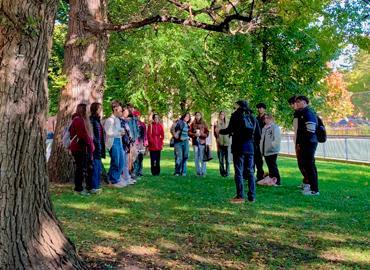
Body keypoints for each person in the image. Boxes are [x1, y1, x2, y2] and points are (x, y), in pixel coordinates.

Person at [220, 100, 261, 203]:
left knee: (238, 171)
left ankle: (240, 196)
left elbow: (229, 130)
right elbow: (258, 135)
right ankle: (252, 196)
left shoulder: (236, 115)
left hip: (238, 147)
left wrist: (219, 131)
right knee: (251, 171)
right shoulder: (252, 117)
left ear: (238, 106)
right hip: (250, 147)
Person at [295, 96, 320, 195]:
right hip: (306, 143)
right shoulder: (302, 113)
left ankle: (314, 190)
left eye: (299, 101)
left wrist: (303, 142)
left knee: (310, 166)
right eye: (296, 102)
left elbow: (311, 129)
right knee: (308, 166)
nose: (297, 103)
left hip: (309, 143)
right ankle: (311, 187)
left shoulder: (308, 113)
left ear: (305, 102)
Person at [69, 104, 95, 195]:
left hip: (84, 147)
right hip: (79, 148)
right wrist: (90, 145)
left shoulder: (82, 120)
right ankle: (78, 189)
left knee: (87, 168)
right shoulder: (78, 120)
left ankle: (89, 186)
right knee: (80, 168)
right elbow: (82, 135)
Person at [288, 95, 309, 190]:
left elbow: (298, 129)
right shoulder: (297, 113)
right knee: (301, 163)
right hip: (299, 141)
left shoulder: (302, 113)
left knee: (304, 163)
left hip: (303, 142)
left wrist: (297, 141)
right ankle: (306, 181)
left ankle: (308, 183)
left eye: (293, 104)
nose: (292, 106)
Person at [104, 101, 126, 188]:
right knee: (115, 162)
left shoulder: (117, 120)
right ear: (115, 109)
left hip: (119, 142)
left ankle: (116, 178)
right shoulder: (110, 120)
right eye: (120, 110)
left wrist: (121, 130)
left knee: (121, 162)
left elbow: (117, 130)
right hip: (113, 143)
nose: (121, 112)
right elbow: (108, 133)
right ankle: (113, 180)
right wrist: (119, 133)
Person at [258, 114, 281, 186]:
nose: (266, 120)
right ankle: (272, 180)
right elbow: (262, 140)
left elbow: (277, 139)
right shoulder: (264, 128)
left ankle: (277, 181)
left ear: (271, 119)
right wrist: (261, 149)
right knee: (270, 167)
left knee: (273, 166)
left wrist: (271, 146)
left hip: (272, 151)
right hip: (265, 151)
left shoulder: (275, 127)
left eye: (267, 118)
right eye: (265, 118)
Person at [88, 102, 106, 193]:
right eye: (99, 108)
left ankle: (97, 185)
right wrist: (95, 145)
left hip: (99, 147)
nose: (101, 110)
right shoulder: (92, 120)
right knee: (95, 167)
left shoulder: (97, 120)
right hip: (95, 147)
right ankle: (94, 186)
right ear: (96, 109)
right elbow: (93, 136)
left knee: (98, 167)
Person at [189, 112, 209, 176]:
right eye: (196, 115)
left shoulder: (204, 123)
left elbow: (207, 133)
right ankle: (198, 172)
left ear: (201, 116)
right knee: (196, 158)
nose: (197, 116)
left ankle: (203, 172)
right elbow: (189, 132)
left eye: (199, 115)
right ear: (195, 116)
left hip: (202, 142)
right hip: (195, 143)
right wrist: (194, 134)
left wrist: (202, 134)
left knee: (202, 158)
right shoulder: (192, 123)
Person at [120, 106, 135, 186]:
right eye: (125, 112)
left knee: (125, 162)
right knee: (123, 162)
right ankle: (124, 178)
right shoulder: (121, 121)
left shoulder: (125, 122)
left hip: (126, 144)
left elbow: (129, 133)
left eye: (127, 113)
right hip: (122, 144)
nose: (127, 114)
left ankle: (127, 177)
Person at [213, 111, 230, 177]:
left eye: (223, 114)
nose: (222, 115)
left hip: (227, 143)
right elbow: (215, 133)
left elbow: (230, 131)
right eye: (220, 114)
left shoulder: (228, 122)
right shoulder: (216, 122)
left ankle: (227, 172)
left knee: (227, 160)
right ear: (219, 115)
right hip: (220, 143)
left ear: (225, 115)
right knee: (221, 159)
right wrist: (217, 138)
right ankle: (222, 173)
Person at [133, 110, 148, 177]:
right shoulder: (132, 123)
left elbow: (145, 134)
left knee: (141, 157)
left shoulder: (142, 124)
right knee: (135, 158)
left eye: (137, 116)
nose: (136, 117)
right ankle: (135, 171)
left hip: (141, 143)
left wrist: (145, 141)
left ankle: (140, 171)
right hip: (135, 143)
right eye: (135, 116)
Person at [254, 103, 266, 180]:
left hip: (265, 141)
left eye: (261, 108)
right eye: (258, 108)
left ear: (264, 109)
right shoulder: (256, 118)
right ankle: (259, 175)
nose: (259, 109)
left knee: (269, 160)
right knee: (258, 159)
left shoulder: (266, 117)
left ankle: (273, 177)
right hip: (257, 141)